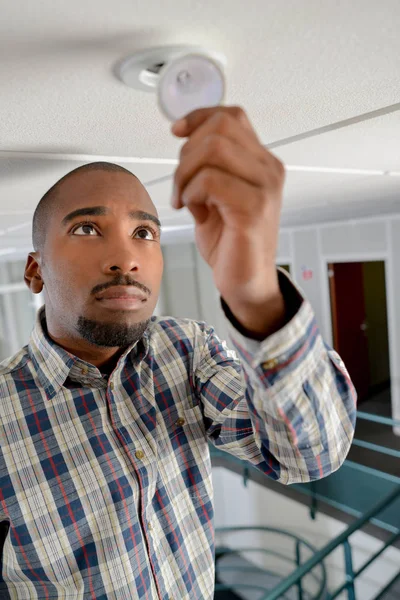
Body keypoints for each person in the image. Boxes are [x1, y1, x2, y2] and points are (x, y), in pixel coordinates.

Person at [0, 106, 356, 599]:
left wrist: (253, 293)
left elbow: (309, 457)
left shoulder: (187, 349)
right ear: (35, 271)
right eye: (86, 228)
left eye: (144, 233)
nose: (126, 258)